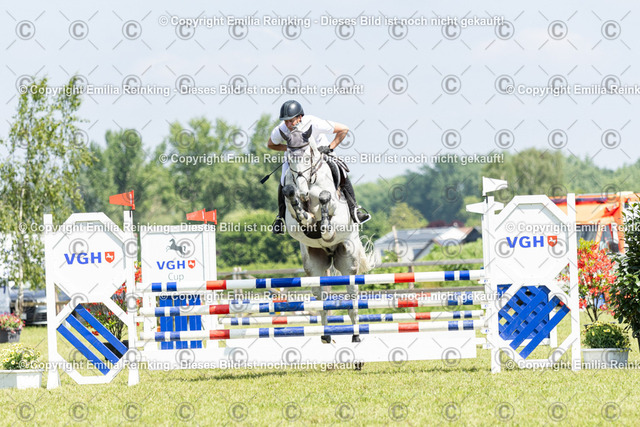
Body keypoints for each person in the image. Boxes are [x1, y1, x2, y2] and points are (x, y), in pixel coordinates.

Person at [267, 100, 371, 234]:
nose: (288, 125)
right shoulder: (282, 129)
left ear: (300, 117)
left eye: (291, 121)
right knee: (283, 181)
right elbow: (271, 144)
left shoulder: (313, 122)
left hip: (321, 153)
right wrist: (290, 148)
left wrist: (329, 147)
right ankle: (280, 217)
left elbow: (344, 129)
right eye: (286, 121)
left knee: (340, 170)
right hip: (296, 158)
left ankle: (354, 209)